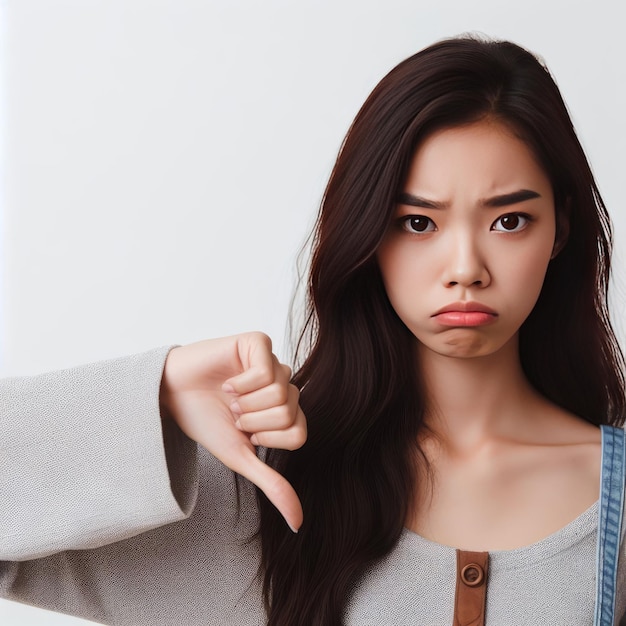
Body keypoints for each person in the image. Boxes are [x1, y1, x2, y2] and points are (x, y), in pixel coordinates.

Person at [1, 34, 625, 626]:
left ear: (560, 230)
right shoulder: (259, 488)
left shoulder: (613, 503)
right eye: (417, 223)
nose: (465, 269)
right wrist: (156, 395)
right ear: (368, 236)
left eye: (509, 220)